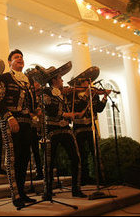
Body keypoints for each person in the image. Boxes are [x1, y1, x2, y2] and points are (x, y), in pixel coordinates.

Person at [0, 49, 39, 208]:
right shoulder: (3, 78)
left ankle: (22, 191)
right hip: (11, 121)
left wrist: (36, 104)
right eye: (16, 57)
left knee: (25, 158)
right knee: (13, 159)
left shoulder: (29, 81)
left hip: (27, 122)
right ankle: (15, 194)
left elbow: (33, 106)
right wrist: (10, 117)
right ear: (9, 62)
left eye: (21, 57)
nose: (20, 59)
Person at [37, 63, 87, 199]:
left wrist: (73, 114)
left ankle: (76, 188)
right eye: (60, 78)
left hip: (65, 129)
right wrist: (66, 115)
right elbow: (50, 109)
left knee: (76, 157)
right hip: (52, 129)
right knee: (49, 161)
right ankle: (47, 191)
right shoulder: (45, 92)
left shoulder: (62, 94)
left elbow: (65, 109)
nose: (63, 81)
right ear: (54, 80)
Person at [67, 66, 110, 185]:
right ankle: (83, 179)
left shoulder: (94, 94)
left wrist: (105, 97)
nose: (89, 83)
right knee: (81, 154)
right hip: (78, 127)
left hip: (91, 126)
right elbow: (77, 108)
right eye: (86, 81)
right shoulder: (72, 95)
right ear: (80, 82)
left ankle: (100, 179)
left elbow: (98, 109)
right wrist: (85, 95)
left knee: (95, 152)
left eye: (89, 81)